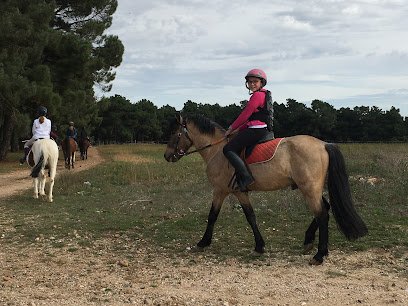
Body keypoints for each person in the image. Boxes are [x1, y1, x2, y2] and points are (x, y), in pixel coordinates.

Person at [223, 68, 274, 192]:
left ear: (261, 83)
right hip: (259, 128)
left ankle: (246, 178)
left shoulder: (257, 95)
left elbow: (245, 115)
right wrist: (239, 129)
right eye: (250, 82)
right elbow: (251, 118)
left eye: (255, 81)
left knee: (228, 149)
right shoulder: (264, 95)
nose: (252, 84)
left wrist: (231, 128)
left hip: (256, 129)